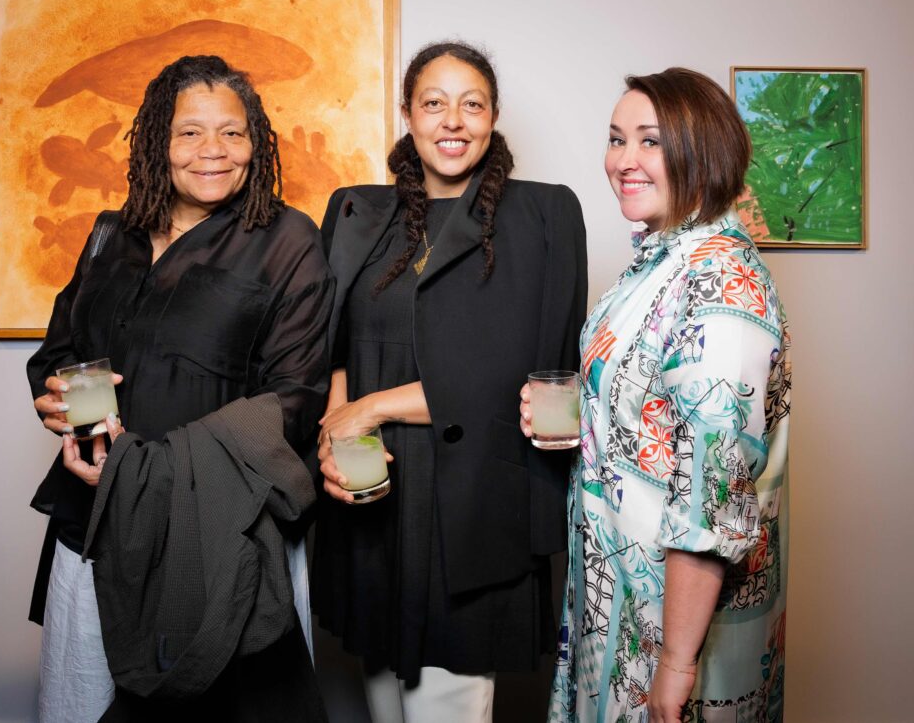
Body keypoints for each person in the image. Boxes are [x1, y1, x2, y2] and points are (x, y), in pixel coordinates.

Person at [26, 55, 333, 722]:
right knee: (84, 700)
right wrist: (55, 400)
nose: (213, 150)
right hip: (91, 514)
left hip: (220, 531)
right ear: (156, 143)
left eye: (232, 132)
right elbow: (59, 351)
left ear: (255, 143)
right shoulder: (111, 234)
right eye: (190, 132)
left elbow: (296, 397)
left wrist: (148, 469)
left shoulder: (286, 240)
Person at [313, 41, 588, 722]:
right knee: (381, 703)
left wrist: (370, 408)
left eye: (472, 104)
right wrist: (333, 434)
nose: (453, 120)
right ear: (407, 114)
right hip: (370, 503)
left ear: (493, 117)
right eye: (433, 103)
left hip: (470, 508)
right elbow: (333, 345)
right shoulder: (355, 213)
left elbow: (526, 376)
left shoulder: (541, 217)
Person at [530, 68, 791, 722]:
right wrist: (581, 418)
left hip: (671, 628)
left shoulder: (720, 283)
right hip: (616, 605)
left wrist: (675, 663)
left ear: (703, 151)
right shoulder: (658, 261)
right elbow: (651, 410)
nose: (623, 160)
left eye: (650, 140)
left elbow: (711, 497)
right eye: (617, 139)